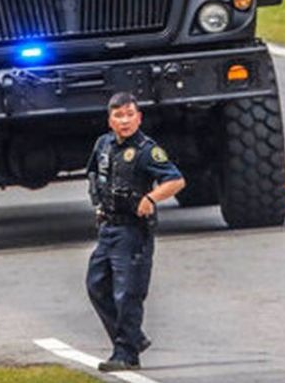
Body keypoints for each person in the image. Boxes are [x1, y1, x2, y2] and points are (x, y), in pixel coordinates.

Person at [85, 92, 186, 372]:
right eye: (119, 116)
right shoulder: (103, 145)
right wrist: (98, 205)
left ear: (139, 118)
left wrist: (151, 199)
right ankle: (133, 337)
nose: (125, 121)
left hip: (133, 231)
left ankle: (126, 353)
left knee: (127, 293)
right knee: (96, 285)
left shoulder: (146, 150)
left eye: (130, 115)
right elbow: (95, 175)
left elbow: (176, 180)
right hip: (108, 227)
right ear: (110, 120)